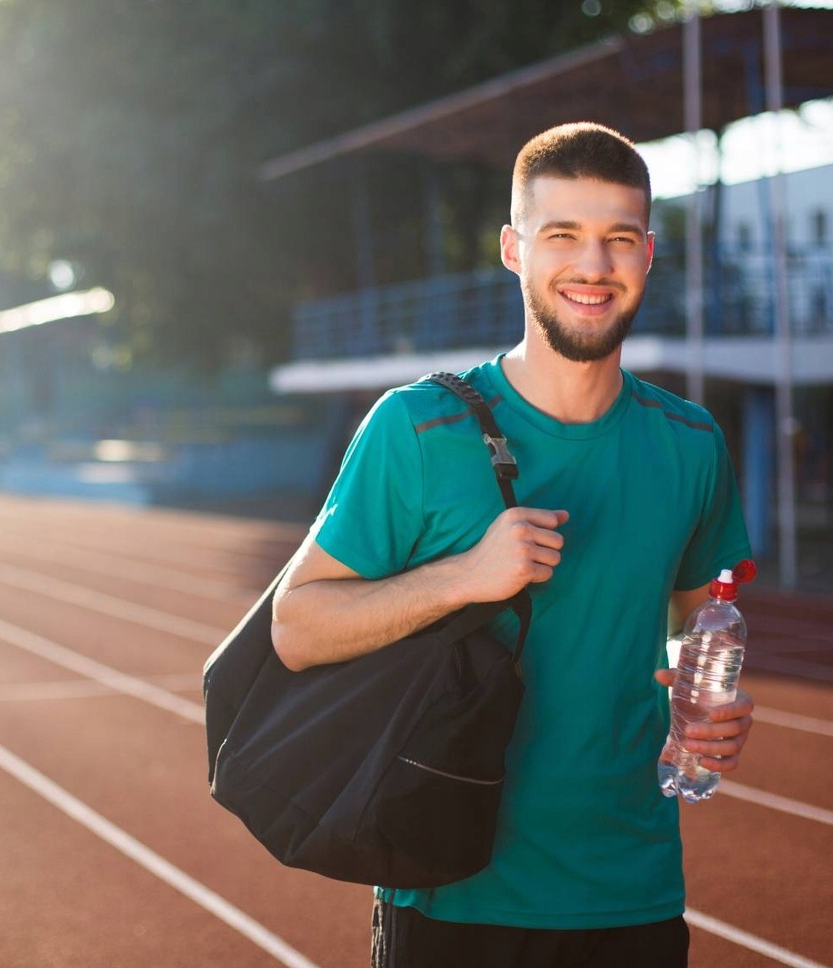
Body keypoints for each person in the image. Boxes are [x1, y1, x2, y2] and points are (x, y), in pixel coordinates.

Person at [270, 122, 754, 967]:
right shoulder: (418, 427)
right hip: (452, 889)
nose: (593, 267)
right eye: (562, 236)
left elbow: (692, 616)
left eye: (619, 239)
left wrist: (700, 697)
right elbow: (297, 627)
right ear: (513, 249)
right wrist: (462, 576)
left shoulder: (691, 443)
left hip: (630, 891)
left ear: (648, 253)